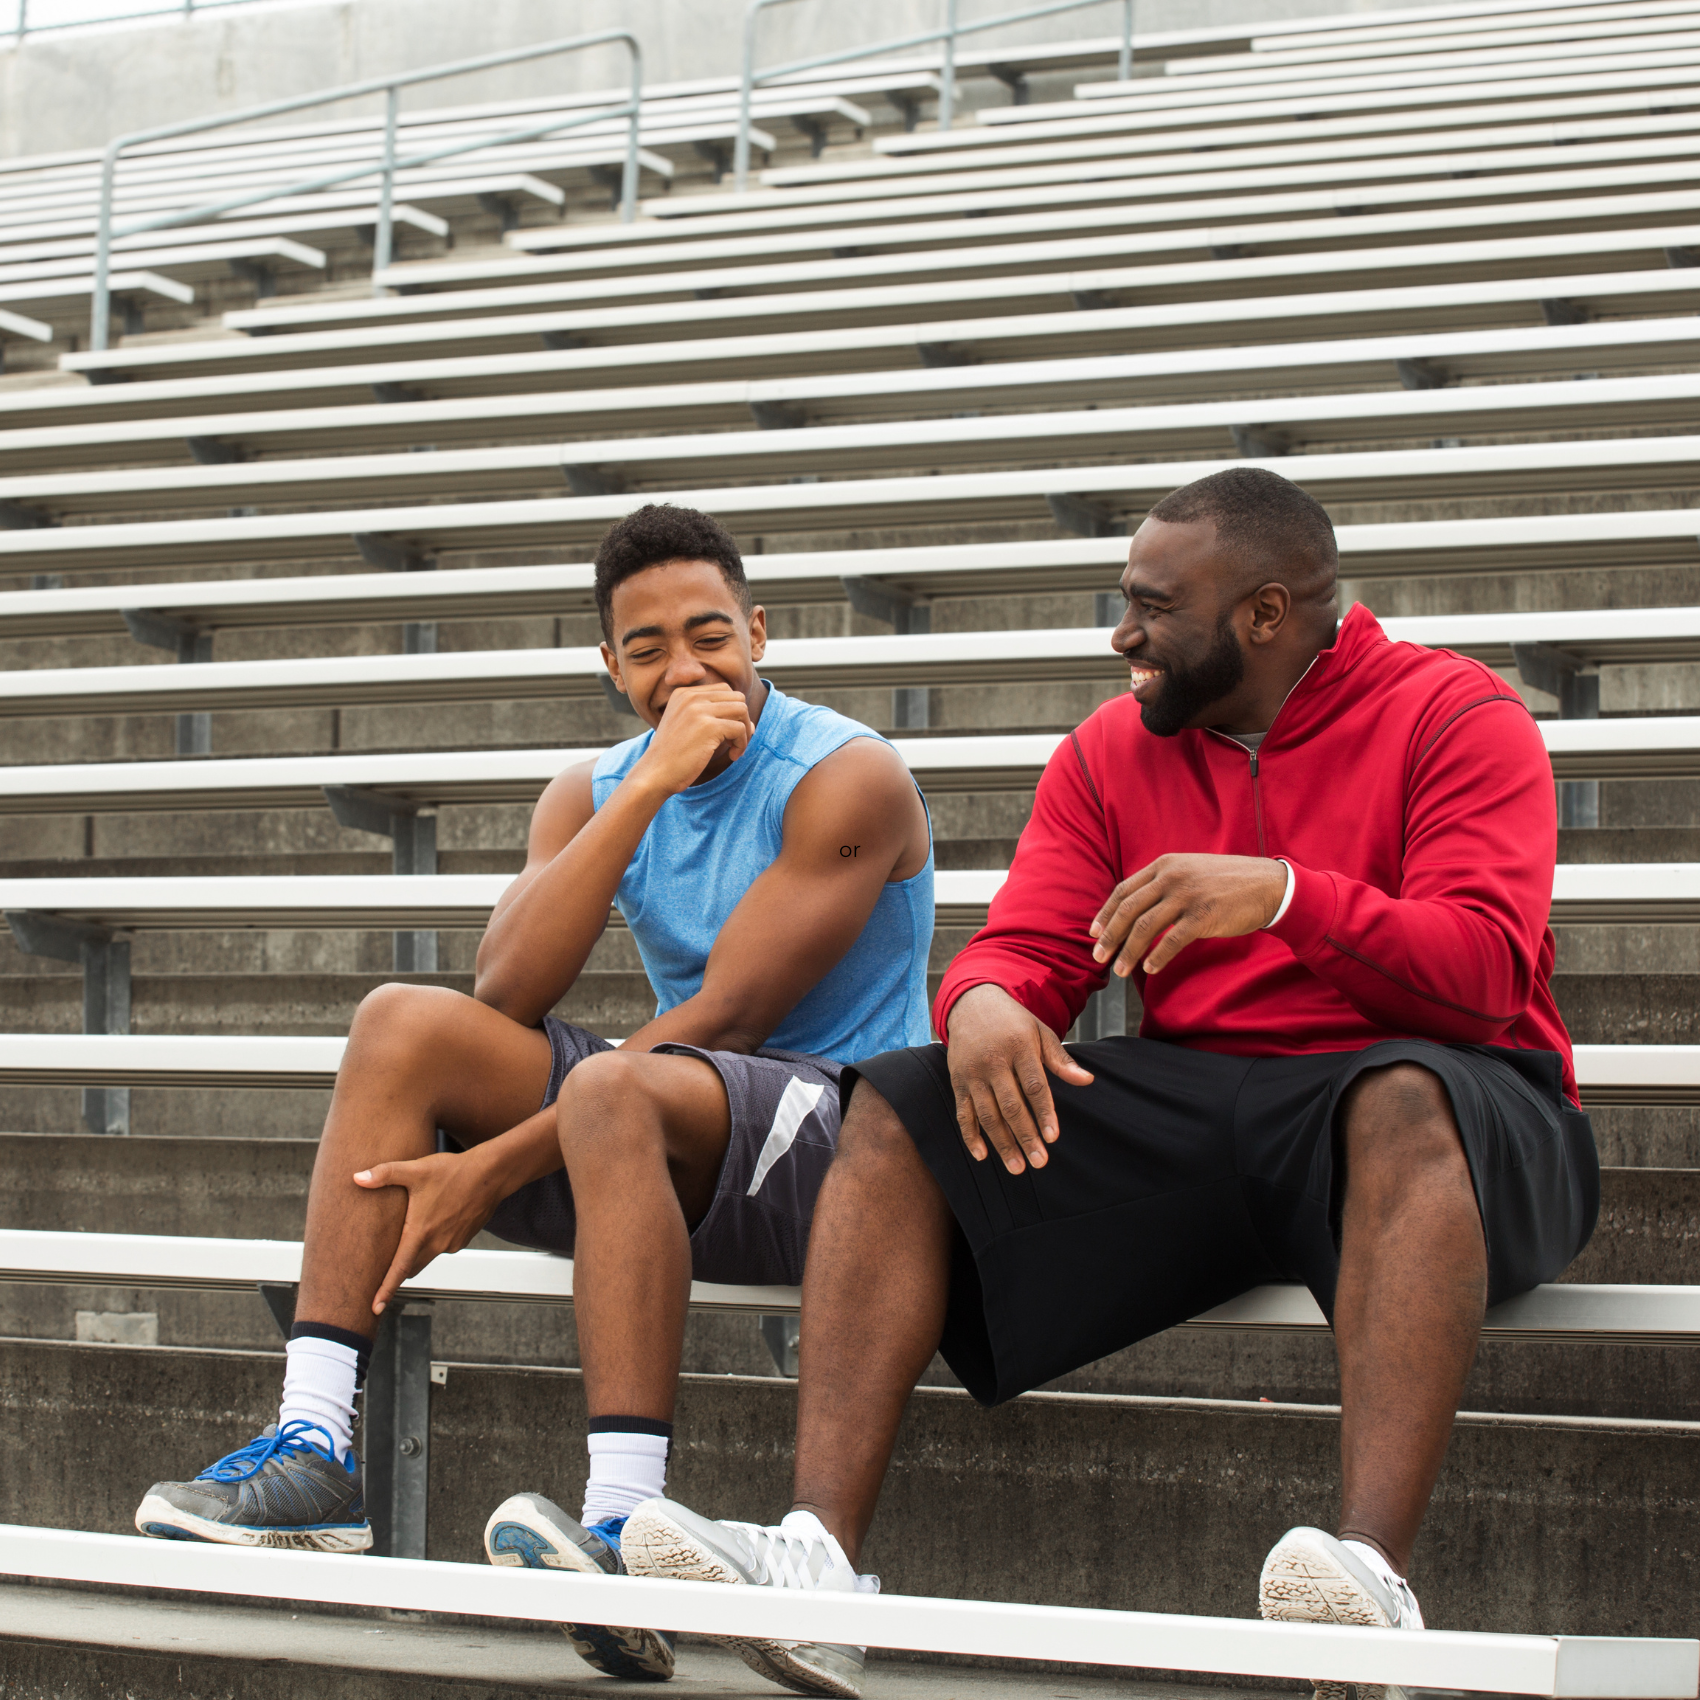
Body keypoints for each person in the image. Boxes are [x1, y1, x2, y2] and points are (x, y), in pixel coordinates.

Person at [617, 466, 1600, 1700]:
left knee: (1397, 1094)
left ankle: (1368, 1587)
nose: (1121, 633)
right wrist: (979, 1007)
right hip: (1210, 1094)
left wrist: (1286, 894)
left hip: (1461, 1096)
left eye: (1151, 606)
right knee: (900, 1100)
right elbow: (1024, 947)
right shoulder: (1109, 747)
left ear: (1262, 611)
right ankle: (813, 1566)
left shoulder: (1455, 714)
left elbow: (1484, 970)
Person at [134, 502, 935, 1684]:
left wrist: (498, 1162)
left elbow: (731, 1019)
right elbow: (505, 983)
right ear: (610, 668)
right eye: (648, 647)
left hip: (847, 1142)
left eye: (710, 634)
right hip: (667, 1118)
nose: (685, 667)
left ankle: (620, 1521)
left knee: (616, 1083)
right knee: (401, 1025)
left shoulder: (846, 774)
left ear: (760, 631)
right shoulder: (600, 786)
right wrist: (644, 788)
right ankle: (313, 1446)